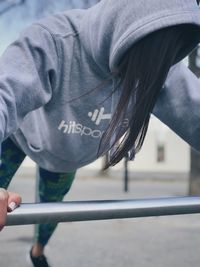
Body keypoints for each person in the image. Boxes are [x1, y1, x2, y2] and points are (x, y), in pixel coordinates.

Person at [1, 0, 200, 266]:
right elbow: (6, 92)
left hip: (65, 157)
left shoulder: (161, 67)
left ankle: (37, 253)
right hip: (18, 135)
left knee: (49, 214)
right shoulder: (55, 39)